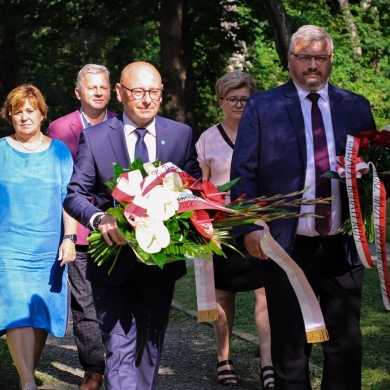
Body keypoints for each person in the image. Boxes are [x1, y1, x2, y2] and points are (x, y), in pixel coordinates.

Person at [230, 25, 376, 390]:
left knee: (345, 342)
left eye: (320, 58)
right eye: (305, 57)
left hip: (343, 245)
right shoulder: (263, 106)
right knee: (290, 345)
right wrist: (248, 226)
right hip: (286, 246)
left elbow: (372, 172)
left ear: (330, 61)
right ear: (290, 60)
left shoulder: (356, 107)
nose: (313, 65)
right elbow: (243, 172)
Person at [63, 61, 201, 390]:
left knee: (150, 349)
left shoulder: (180, 136)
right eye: (138, 91)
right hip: (111, 261)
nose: (146, 99)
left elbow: (193, 190)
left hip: (162, 263)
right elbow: (75, 195)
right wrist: (99, 218)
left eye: (153, 92)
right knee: (118, 348)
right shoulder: (95, 138)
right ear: (121, 93)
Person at [196, 71, 274, 388]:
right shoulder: (207, 139)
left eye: (245, 98)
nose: (239, 104)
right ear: (221, 101)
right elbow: (198, 188)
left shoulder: (267, 134)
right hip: (222, 227)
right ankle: (223, 358)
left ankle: (268, 362)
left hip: (258, 222)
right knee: (222, 295)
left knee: (264, 295)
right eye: (232, 99)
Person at [0, 84, 78, 390]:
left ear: (42, 115)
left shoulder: (59, 152)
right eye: (17, 112)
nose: (24, 118)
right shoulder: (1, 151)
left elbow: (68, 198)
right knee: (18, 310)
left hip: (48, 247)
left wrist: (69, 238)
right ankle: (28, 382)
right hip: (8, 247)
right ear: (9, 117)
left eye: (30, 111)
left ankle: (27, 370)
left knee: (41, 313)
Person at [48, 64, 116, 390]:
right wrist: (68, 235)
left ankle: (119, 364)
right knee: (84, 302)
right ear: (79, 92)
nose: (98, 92)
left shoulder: (122, 125)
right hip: (77, 227)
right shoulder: (60, 129)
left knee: (117, 300)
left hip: (117, 231)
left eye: (103, 86)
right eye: (92, 88)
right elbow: (62, 188)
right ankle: (94, 369)